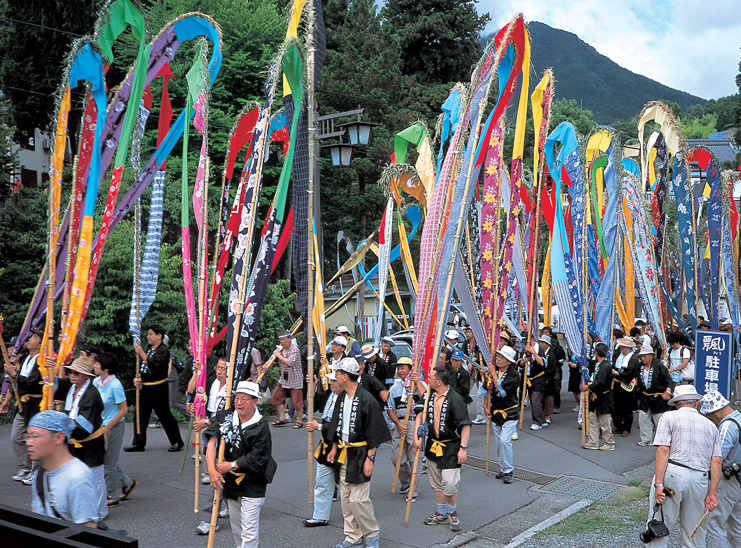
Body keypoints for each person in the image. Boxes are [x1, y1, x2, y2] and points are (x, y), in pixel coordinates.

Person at [326, 357, 391, 548]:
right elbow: (338, 426)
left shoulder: (367, 399)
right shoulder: (341, 397)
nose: (335, 377)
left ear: (345, 377)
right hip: (344, 452)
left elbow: (374, 431)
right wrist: (334, 448)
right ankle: (352, 535)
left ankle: (372, 534)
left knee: (359, 499)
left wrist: (370, 458)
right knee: (346, 499)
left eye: (337, 373)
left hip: (362, 452)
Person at [649, 385, 722, 548]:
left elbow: (662, 449)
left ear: (676, 404)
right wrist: (712, 492)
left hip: (673, 474)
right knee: (694, 532)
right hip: (700, 479)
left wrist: (659, 484)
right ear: (696, 402)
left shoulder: (668, 418)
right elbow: (717, 460)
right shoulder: (710, 425)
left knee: (660, 524)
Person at [204, 381, 272, 548]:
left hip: (253, 482)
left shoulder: (261, 425)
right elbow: (211, 443)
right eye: (237, 398)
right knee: (237, 529)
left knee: (248, 532)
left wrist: (231, 465)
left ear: (254, 402)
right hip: (231, 483)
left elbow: (258, 457)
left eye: (244, 399)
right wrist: (212, 470)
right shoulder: (227, 417)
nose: (239, 402)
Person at [414, 366, 471, 532]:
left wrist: (463, 448)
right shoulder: (429, 395)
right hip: (432, 444)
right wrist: (416, 437)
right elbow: (419, 413)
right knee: (436, 483)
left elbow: (465, 425)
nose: (428, 380)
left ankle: (453, 513)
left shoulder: (456, 399)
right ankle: (441, 512)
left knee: (450, 483)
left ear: (438, 382)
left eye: (430, 378)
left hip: (451, 445)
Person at [27, 410, 100, 527]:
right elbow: (36, 518)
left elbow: (88, 532)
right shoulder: (40, 473)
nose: (28, 442)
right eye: (27, 436)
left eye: (35, 436)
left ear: (58, 437)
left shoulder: (78, 478)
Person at [61, 356, 107, 521]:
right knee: (76, 476)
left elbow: (84, 423)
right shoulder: (72, 389)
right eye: (70, 372)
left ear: (86, 376)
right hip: (75, 440)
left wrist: (64, 424)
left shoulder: (91, 394)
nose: (72, 375)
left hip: (91, 441)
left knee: (95, 477)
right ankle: (80, 508)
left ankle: (100, 512)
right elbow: (54, 386)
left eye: (77, 373)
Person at [125, 325, 184, 452]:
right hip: (145, 388)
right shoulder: (149, 348)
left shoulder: (163, 351)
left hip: (158, 389)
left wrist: (141, 353)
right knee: (140, 415)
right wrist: (139, 378)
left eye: (151, 334)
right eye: (148, 334)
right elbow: (144, 368)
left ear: (159, 336)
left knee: (165, 416)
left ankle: (177, 441)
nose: (148, 337)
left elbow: (154, 365)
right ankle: (138, 443)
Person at [93, 352, 136, 507]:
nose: (95, 365)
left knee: (109, 462)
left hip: (114, 426)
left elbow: (123, 410)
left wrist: (107, 428)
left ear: (106, 367)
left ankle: (111, 495)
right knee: (107, 458)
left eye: (97, 363)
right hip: (99, 426)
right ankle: (127, 482)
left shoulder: (115, 385)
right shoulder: (95, 382)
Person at [192, 357, 229, 533]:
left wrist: (206, 421)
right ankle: (227, 504)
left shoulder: (232, 388)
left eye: (223, 368)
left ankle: (209, 518)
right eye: (218, 367)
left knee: (219, 471)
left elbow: (227, 413)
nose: (219, 371)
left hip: (223, 430)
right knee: (221, 469)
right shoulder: (211, 382)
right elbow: (196, 393)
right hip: (211, 428)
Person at [699, 391, 741, 548]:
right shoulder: (740, 419)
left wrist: (712, 491)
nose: (712, 418)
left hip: (729, 479)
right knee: (737, 523)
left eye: (710, 415)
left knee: (714, 521)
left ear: (715, 411)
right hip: (739, 479)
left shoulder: (728, 425)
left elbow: (718, 457)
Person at [304, 370, 341, 527]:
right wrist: (311, 387)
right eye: (330, 380)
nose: (331, 383)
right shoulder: (329, 394)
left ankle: (356, 519)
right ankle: (320, 515)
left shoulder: (349, 399)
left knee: (348, 486)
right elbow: (312, 403)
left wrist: (319, 426)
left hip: (343, 447)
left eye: (334, 380)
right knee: (322, 482)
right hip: (326, 445)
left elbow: (340, 424)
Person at [387, 357, 427, 502]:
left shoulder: (421, 384)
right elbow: (390, 408)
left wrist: (417, 382)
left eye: (403, 368)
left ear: (411, 369)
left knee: (414, 458)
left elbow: (427, 399)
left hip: (414, 423)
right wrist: (398, 424)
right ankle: (406, 483)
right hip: (400, 424)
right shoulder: (396, 387)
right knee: (397, 458)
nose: (400, 371)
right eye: (398, 368)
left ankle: (413, 491)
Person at [6, 328, 43, 483]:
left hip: (35, 405)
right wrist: (7, 398)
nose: (29, 339)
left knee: (34, 439)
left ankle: (36, 472)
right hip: (23, 405)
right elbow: (19, 383)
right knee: (16, 437)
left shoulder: (42, 361)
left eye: (34, 337)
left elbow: (31, 383)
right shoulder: (27, 359)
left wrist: (14, 374)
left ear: (41, 344)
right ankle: (25, 466)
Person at [487, 346, 520, 483]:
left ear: (509, 361)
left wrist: (493, 373)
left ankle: (508, 470)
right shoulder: (494, 370)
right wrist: (485, 406)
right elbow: (486, 388)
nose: (499, 359)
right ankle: (503, 468)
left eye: (503, 358)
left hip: (510, 412)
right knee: (498, 442)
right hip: (496, 411)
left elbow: (501, 390)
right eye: (499, 356)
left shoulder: (513, 374)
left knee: (504, 440)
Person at [636, 344, 674, 446]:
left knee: (659, 419)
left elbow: (669, 381)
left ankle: (662, 440)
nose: (643, 358)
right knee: (643, 418)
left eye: (645, 356)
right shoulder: (640, 366)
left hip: (657, 396)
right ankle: (646, 440)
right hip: (645, 396)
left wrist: (668, 392)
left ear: (651, 355)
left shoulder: (659, 367)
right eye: (641, 356)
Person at [266, 330, 304, 428]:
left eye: (284, 339)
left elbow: (289, 363)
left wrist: (279, 355)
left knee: (297, 402)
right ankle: (282, 418)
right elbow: (272, 359)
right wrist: (266, 365)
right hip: (284, 379)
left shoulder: (294, 349)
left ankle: (299, 420)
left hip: (295, 379)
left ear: (290, 339)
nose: (282, 341)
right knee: (276, 397)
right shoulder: (280, 349)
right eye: (280, 340)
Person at [582, 343, 615, 451]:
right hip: (595, 397)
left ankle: (609, 443)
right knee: (593, 420)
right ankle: (593, 441)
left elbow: (601, 382)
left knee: (604, 423)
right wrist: (584, 355)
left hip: (604, 397)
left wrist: (588, 386)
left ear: (596, 352)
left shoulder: (606, 366)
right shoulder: (599, 364)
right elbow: (589, 364)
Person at [611, 337, 639, 437]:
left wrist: (618, 373)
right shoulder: (617, 355)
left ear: (629, 348)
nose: (622, 348)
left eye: (624, 347)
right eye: (622, 346)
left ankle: (627, 428)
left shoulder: (633, 359)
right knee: (616, 406)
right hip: (617, 384)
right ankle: (618, 425)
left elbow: (630, 373)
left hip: (627, 384)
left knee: (627, 407)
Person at [524, 336, 554, 430]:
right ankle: (542, 419)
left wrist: (534, 353)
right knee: (533, 402)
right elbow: (519, 363)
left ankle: (537, 422)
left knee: (536, 401)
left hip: (539, 380)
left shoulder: (539, 350)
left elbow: (542, 363)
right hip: (530, 380)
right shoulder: (525, 350)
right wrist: (523, 361)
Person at [541, 326, 564, 413]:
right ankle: (545, 406)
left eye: (546, 333)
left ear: (550, 334)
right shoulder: (539, 343)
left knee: (555, 386)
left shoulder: (554, 342)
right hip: (544, 367)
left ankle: (556, 405)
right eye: (542, 332)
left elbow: (556, 353)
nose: (544, 334)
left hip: (555, 367)